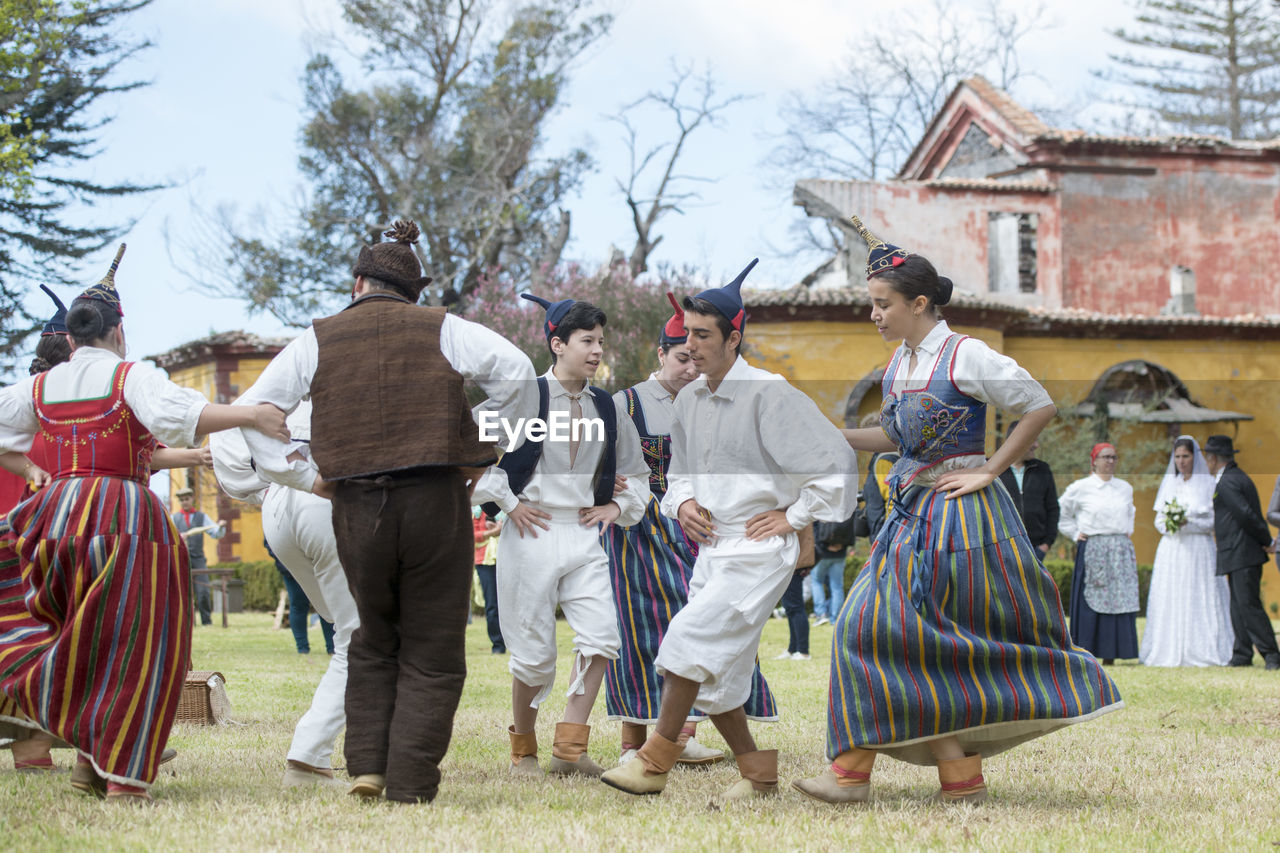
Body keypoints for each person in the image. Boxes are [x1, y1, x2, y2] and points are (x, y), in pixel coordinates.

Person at [793, 218, 1121, 806]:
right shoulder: (900, 362)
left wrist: (991, 468)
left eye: (881, 304)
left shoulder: (965, 354)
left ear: (919, 303)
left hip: (963, 518)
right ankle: (945, 777)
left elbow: (1038, 404)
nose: (874, 315)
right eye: (871, 304)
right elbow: (895, 437)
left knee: (884, 630)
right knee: (898, 634)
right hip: (911, 514)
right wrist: (825, 435)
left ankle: (858, 775)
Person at [234, 220, 535, 804]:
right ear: (412, 291)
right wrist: (485, 445)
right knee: (433, 645)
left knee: (371, 638)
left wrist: (305, 476)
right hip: (432, 499)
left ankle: (367, 768)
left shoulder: (317, 338)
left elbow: (257, 410)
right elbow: (518, 371)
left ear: (357, 283)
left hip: (353, 502)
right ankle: (411, 783)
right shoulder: (443, 328)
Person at [0, 244, 289, 802]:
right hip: (122, 517)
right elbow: (181, 417)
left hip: (53, 518)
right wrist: (252, 413)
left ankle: (87, 763)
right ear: (118, 334)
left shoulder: (39, 385)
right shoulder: (129, 375)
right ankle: (125, 781)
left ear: (72, 337)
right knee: (137, 644)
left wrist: (35, 471)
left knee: (78, 638)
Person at [601, 261, 858, 801]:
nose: (689, 345)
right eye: (685, 335)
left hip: (760, 549)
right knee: (723, 677)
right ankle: (760, 775)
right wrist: (685, 502)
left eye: (702, 335)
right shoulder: (690, 399)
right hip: (713, 549)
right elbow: (678, 474)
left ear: (733, 338)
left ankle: (653, 761)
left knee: (687, 640)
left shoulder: (771, 394)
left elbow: (833, 464)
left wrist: (793, 518)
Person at [474, 294, 651, 780]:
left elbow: (637, 475)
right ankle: (523, 751)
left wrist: (616, 506)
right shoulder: (521, 398)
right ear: (557, 343)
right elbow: (469, 456)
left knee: (601, 637)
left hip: (583, 532)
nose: (597, 351)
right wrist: (509, 503)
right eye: (586, 341)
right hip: (530, 532)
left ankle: (569, 749)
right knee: (533, 654)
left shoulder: (607, 408)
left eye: (600, 342)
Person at [602, 295, 776, 766]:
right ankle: (633, 742)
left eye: (695, 356)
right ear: (661, 354)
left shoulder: (716, 399)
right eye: (681, 357)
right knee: (638, 631)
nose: (689, 366)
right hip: (639, 532)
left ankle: (681, 733)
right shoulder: (628, 402)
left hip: (702, 529)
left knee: (700, 627)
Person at [211, 401, 358, 788]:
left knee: (352, 634)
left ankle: (351, 745)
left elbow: (228, 438)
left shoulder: (286, 382)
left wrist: (259, 485)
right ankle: (309, 756)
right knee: (361, 639)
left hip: (277, 504)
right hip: (328, 495)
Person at [1140, 436, 1232, 667]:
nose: (1181, 461)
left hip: (1199, 548)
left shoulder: (1208, 484)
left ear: (1195, 457)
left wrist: (1188, 522)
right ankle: (1168, 647)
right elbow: (1159, 521)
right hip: (1173, 548)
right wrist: (1172, 523)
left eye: (1186, 456)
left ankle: (1203, 647)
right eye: (1178, 457)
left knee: (1200, 592)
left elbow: (1212, 521)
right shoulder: (1170, 484)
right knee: (1172, 593)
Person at [1202, 435, 1279, 670]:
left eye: (1207, 457)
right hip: (1237, 553)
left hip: (1242, 551)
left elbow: (1245, 514)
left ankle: (1272, 654)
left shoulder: (1228, 482)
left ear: (1214, 458)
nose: (1206, 462)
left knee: (1247, 604)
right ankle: (1241, 653)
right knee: (1237, 604)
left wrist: (1266, 540)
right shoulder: (1236, 477)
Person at [1058, 443, 1140, 664]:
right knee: (1094, 596)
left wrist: (1125, 535)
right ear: (1093, 460)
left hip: (1120, 549)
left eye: (1114, 457)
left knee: (1120, 597)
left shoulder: (1124, 487)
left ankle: (1114, 653)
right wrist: (1075, 533)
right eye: (1105, 457)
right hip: (1094, 546)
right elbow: (1061, 512)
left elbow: (1130, 513)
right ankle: (1089, 649)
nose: (1110, 461)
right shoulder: (1081, 487)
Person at [997, 419, 1060, 560]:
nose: (1036, 445)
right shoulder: (994, 470)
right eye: (1032, 440)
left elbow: (1053, 508)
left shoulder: (1043, 469)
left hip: (1035, 549)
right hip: (1001, 549)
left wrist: (1046, 544)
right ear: (1017, 440)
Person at [269, 538, 335, 655]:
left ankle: (332, 648)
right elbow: (270, 542)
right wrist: (284, 564)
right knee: (298, 605)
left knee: (324, 604)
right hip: (291, 570)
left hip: (318, 567)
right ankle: (302, 648)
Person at [172, 486, 227, 626]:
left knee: (203, 591)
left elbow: (215, 532)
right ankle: (184, 622)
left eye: (187, 499)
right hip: (181, 559)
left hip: (198, 559)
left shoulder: (201, 517)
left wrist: (220, 526)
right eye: (182, 500)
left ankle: (206, 621)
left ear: (192, 499)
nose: (185, 502)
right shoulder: (174, 518)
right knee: (181, 591)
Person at [811, 510, 856, 627]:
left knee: (816, 581)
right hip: (840, 554)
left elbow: (814, 529)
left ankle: (821, 614)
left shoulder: (823, 505)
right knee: (837, 587)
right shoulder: (847, 507)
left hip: (822, 554)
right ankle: (835, 618)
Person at [472, 506, 505, 654]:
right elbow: (472, 534)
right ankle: (498, 645)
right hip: (484, 561)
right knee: (492, 604)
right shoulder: (476, 509)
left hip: (507, 557)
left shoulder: (507, 503)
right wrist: (492, 532)